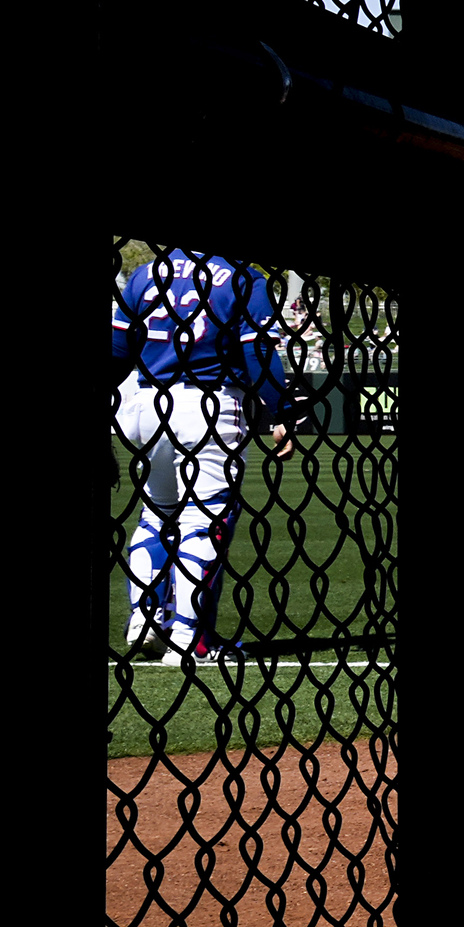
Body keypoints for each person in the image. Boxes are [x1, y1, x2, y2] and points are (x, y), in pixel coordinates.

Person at [108, 245, 303, 664]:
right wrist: (279, 410)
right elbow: (258, 352)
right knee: (205, 517)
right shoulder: (242, 278)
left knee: (155, 514)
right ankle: (190, 639)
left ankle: (145, 619)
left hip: (145, 401)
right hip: (209, 403)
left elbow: (116, 351)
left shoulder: (146, 273)